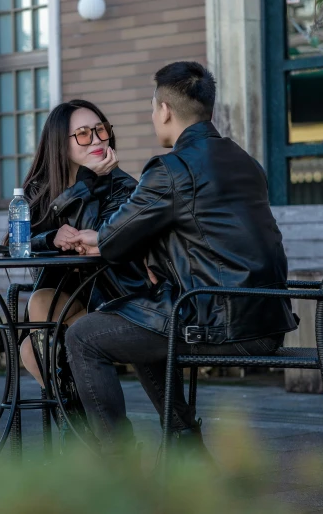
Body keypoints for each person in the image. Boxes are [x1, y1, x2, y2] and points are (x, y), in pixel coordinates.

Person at [62, 62, 299, 459]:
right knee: (140, 316)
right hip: (266, 318)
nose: (153, 116)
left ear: (166, 111)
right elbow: (209, 234)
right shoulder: (244, 161)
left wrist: (100, 238)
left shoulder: (170, 169)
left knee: (84, 336)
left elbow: (118, 240)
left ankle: (118, 465)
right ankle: (187, 448)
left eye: (153, 108)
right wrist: (106, 240)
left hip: (221, 324)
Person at [18, 99, 149, 388]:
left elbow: (92, 237)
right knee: (30, 343)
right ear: (60, 144)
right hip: (67, 297)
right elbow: (18, 241)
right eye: (83, 134)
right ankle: (76, 419)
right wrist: (50, 238)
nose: (97, 140)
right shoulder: (39, 188)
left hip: (110, 297)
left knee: (41, 330)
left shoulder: (122, 187)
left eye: (100, 130)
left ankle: (84, 423)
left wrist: (88, 183)